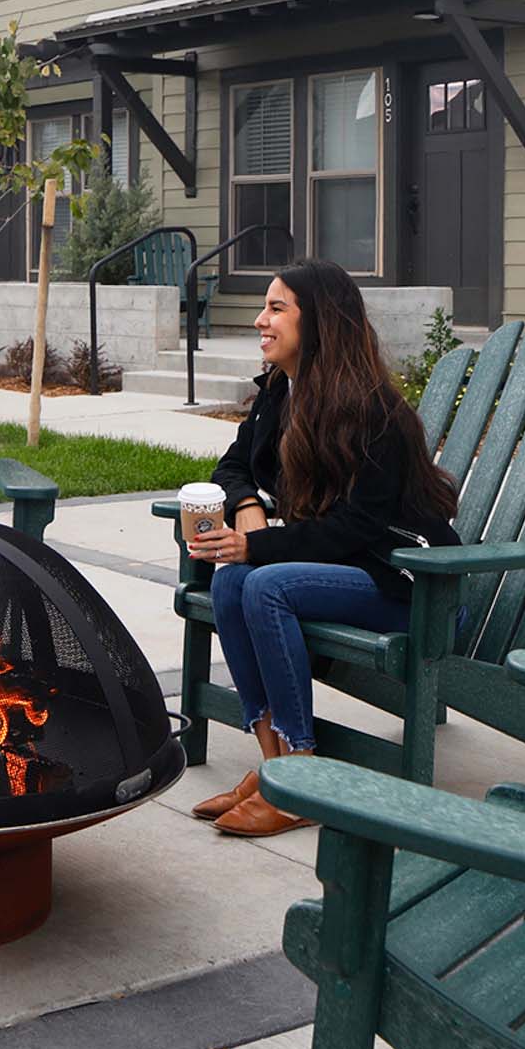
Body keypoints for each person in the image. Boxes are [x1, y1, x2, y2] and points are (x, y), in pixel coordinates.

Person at [182, 260, 460, 838]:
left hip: (409, 581)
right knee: (232, 578)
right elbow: (233, 465)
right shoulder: (282, 393)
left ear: (321, 323)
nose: (260, 319)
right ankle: (275, 766)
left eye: (277, 308)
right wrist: (248, 510)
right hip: (347, 570)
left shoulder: (373, 411)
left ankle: (302, 776)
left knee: (261, 579)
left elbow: (355, 529)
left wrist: (258, 546)